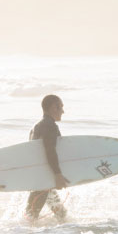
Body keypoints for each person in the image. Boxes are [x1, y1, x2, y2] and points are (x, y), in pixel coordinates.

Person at [26, 94, 69, 222]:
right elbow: (50, 150)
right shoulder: (49, 125)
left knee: (61, 215)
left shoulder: (37, 126)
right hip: (44, 178)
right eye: (60, 107)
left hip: (42, 177)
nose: (63, 111)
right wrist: (57, 174)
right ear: (53, 107)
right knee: (31, 216)